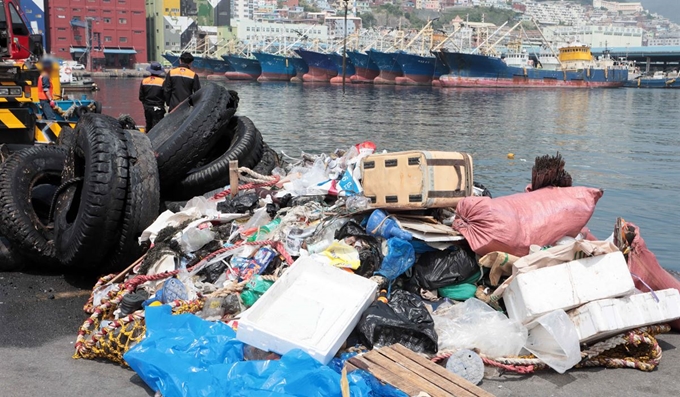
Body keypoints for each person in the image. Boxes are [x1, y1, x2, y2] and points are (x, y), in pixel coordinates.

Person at [139, 62, 166, 132]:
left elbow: (141, 97)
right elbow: (166, 96)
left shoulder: (144, 81)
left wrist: (146, 104)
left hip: (147, 107)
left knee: (148, 125)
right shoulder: (162, 82)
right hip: (158, 108)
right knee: (158, 128)